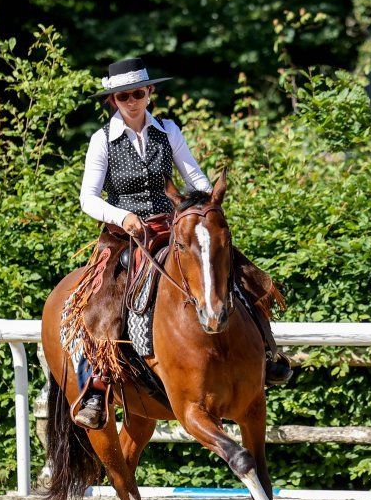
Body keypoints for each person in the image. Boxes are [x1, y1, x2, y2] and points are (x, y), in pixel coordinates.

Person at [66, 57, 294, 429]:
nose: (132, 101)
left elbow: (193, 175)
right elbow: (87, 198)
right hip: (126, 235)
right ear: (114, 101)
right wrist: (122, 216)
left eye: (138, 93)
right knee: (106, 296)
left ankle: (267, 352)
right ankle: (98, 384)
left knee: (238, 270)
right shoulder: (101, 140)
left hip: (174, 227)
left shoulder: (167, 130)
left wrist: (208, 206)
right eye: (123, 96)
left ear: (150, 92)